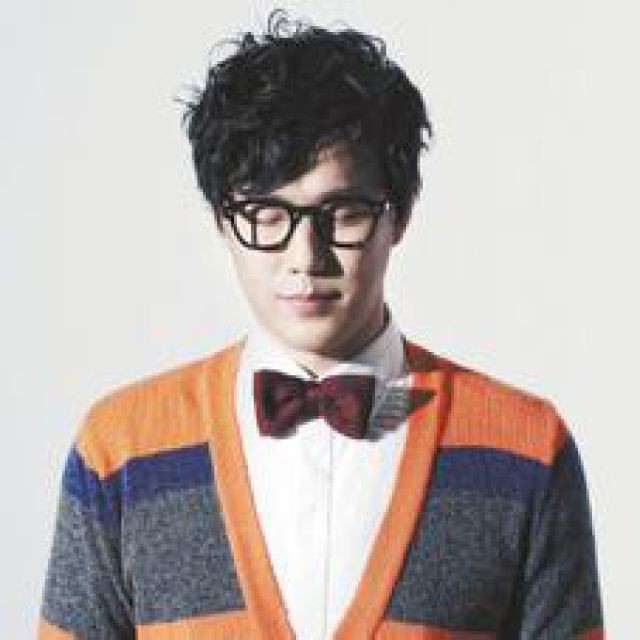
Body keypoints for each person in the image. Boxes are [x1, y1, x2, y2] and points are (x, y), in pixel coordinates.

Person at [38, 11, 605, 639]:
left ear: (399, 215)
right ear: (223, 221)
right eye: (266, 214)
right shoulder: (121, 451)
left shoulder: (526, 450)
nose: (305, 258)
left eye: (343, 213)